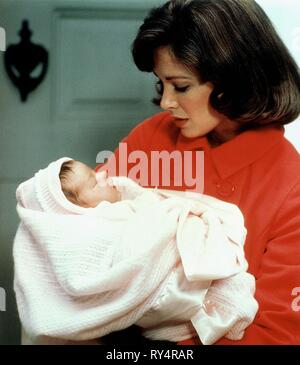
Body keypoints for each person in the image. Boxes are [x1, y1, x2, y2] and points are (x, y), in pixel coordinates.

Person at [96, 0, 300, 344]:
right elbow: (88, 220)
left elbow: (278, 332)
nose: (165, 103)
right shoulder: (152, 137)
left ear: (233, 81)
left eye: (181, 86)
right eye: (162, 85)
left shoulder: (290, 183)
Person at [14, 157, 258, 345]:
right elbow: (139, 244)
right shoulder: (96, 223)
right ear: (77, 208)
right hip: (157, 297)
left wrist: (136, 196)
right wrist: (169, 214)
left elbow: (144, 201)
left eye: (95, 172)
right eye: (93, 181)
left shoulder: (117, 200)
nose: (104, 175)